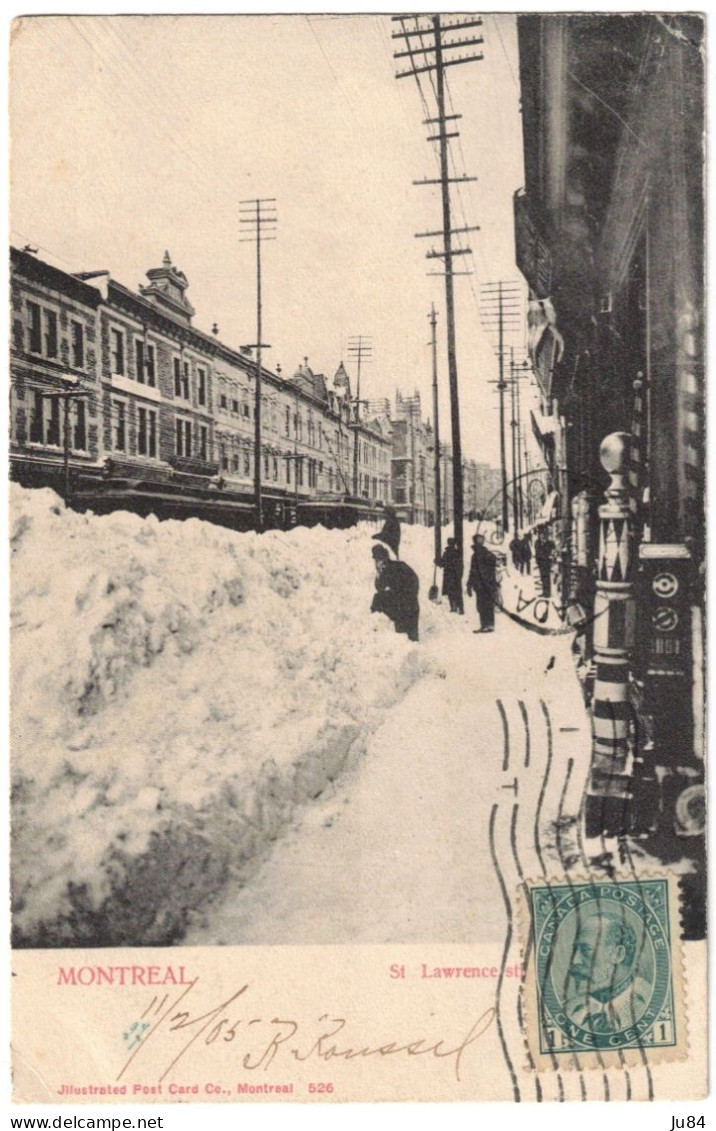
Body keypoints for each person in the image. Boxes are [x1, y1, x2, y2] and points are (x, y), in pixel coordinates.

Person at [562, 913, 652, 1034]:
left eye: (586, 950)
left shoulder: (648, 1003)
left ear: (618, 954)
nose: (575, 961)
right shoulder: (568, 1010)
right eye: (575, 950)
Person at [370, 543, 420, 641]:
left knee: (408, 640)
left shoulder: (396, 567)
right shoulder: (388, 569)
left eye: (378, 559)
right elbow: (379, 588)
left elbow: (413, 582)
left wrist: (407, 597)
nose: (377, 562)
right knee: (406, 640)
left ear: (384, 558)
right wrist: (379, 573)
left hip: (407, 605)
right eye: (376, 560)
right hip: (404, 605)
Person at [466, 534, 498, 633]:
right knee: (481, 605)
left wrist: (470, 584)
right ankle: (485, 625)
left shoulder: (485, 554)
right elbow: (472, 571)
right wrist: (469, 584)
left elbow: (491, 566)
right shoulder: (476, 556)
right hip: (482, 586)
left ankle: (488, 625)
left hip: (484, 586)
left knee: (485, 605)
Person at [436, 536, 464, 613]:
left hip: (449, 575)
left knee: (450, 592)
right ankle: (461, 608)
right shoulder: (458, 553)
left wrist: (436, 561)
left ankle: (453, 607)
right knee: (458, 591)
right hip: (456, 576)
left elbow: (441, 564)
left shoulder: (447, 553)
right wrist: (460, 574)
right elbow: (461, 565)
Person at [535, 528, 555, 597]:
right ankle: (544, 592)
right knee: (542, 578)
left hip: (546, 563)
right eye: (540, 535)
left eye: (543, 535)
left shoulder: (549, 543)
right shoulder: (537, 542)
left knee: (547, 577)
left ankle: (547, 593)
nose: (542, 536)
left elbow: (553, 548)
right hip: (541, 563)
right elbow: (536, 552)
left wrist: (551, 555)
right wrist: (537, 561)